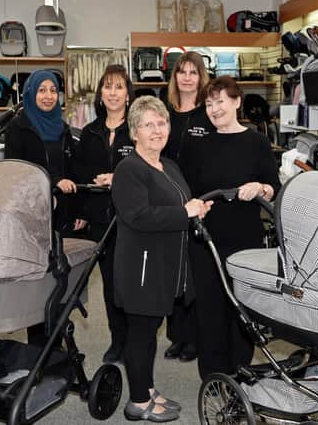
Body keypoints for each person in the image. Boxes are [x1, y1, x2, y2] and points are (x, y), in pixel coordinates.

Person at [112, 96, 212, 422]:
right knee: (141, 336)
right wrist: (185, 211)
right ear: (134, 132)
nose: (157, 130)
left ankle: (147, 388)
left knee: (150, 332)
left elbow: (179, 204)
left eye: (162, 123)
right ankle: (139, 402)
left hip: (165, 267)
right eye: (148, 125)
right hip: (142, 270)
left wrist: (195, 208)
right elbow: (139, 216)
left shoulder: (168, 165)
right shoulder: (129, 169)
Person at [180, 76, 281, 380]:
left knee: (241, 305)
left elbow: (273, 186)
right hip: (206, 238)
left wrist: (260, 186)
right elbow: (188, 190)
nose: (214, 109)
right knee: (209, 307)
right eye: (209, 104)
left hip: (244, 237)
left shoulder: (257, 142)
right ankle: (213, 375)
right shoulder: (198, 145)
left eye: (220, 101)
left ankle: (241, 369)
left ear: (237, 101)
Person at [4, 69, 84, 346]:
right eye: (42, 90)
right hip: (32, 217)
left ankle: (57, 343)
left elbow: (70, 172)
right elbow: (15, 173)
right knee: (37, 280)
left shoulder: (61, 128)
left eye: (53, 90)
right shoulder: (18, 126)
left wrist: (76, 212)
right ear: (30, 93)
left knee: (59, 277)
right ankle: (38, 347)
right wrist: (50, 183)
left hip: (59, 214)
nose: (49, 96)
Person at [72, 64, 135, 364]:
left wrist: (117, 177)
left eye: (119, 86)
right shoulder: (90, 132)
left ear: (127, 94)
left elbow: (147, 171)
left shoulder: (137, 131)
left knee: (130, 282)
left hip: (131, 218)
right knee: (110, 283)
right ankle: (117, 340)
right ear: (100, 94)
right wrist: (84, 206)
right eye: (108, 86)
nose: (113, 92)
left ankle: (135, 339)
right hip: (99, 219)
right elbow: (80, 171)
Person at [161, 51, 215, 362]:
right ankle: (176, 336)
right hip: (169, 200)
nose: (187, 77)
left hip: (200, 201)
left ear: (201, 77)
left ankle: (194, 337)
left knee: (196, 272)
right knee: (171, 270)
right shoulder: (166, 112)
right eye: (181, 71)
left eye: (193, 72)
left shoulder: (207, 114)